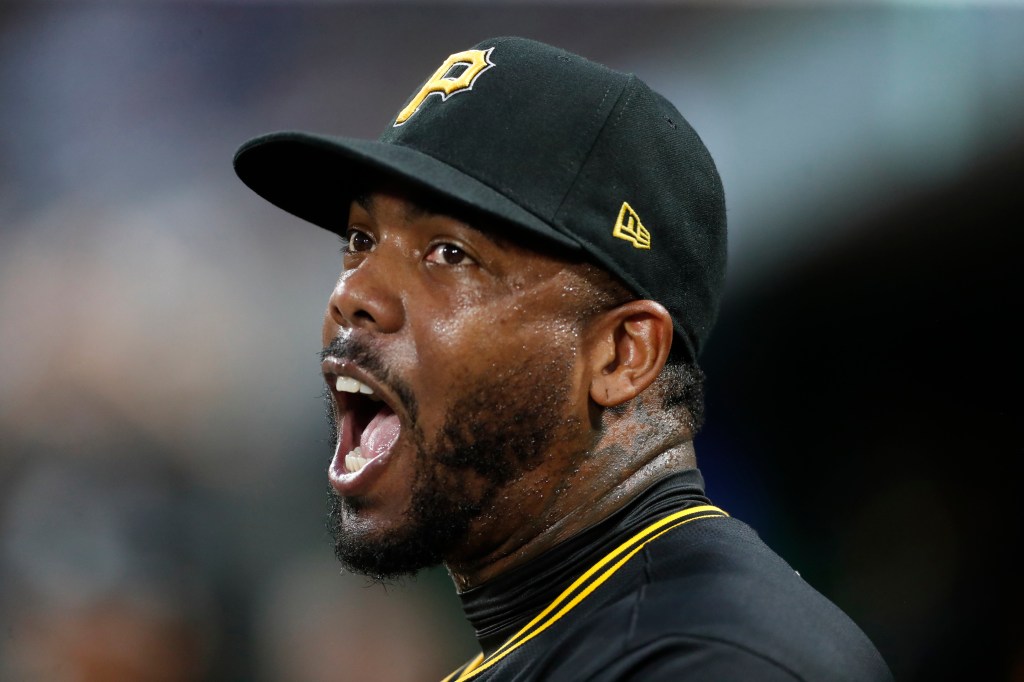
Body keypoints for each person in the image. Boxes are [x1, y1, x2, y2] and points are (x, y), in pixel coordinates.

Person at [233, 36, 892, 682]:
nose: (352, 294)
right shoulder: (580, 638)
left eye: (449, 254)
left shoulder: (713, 660)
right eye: (360, 238)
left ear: (621, 356)